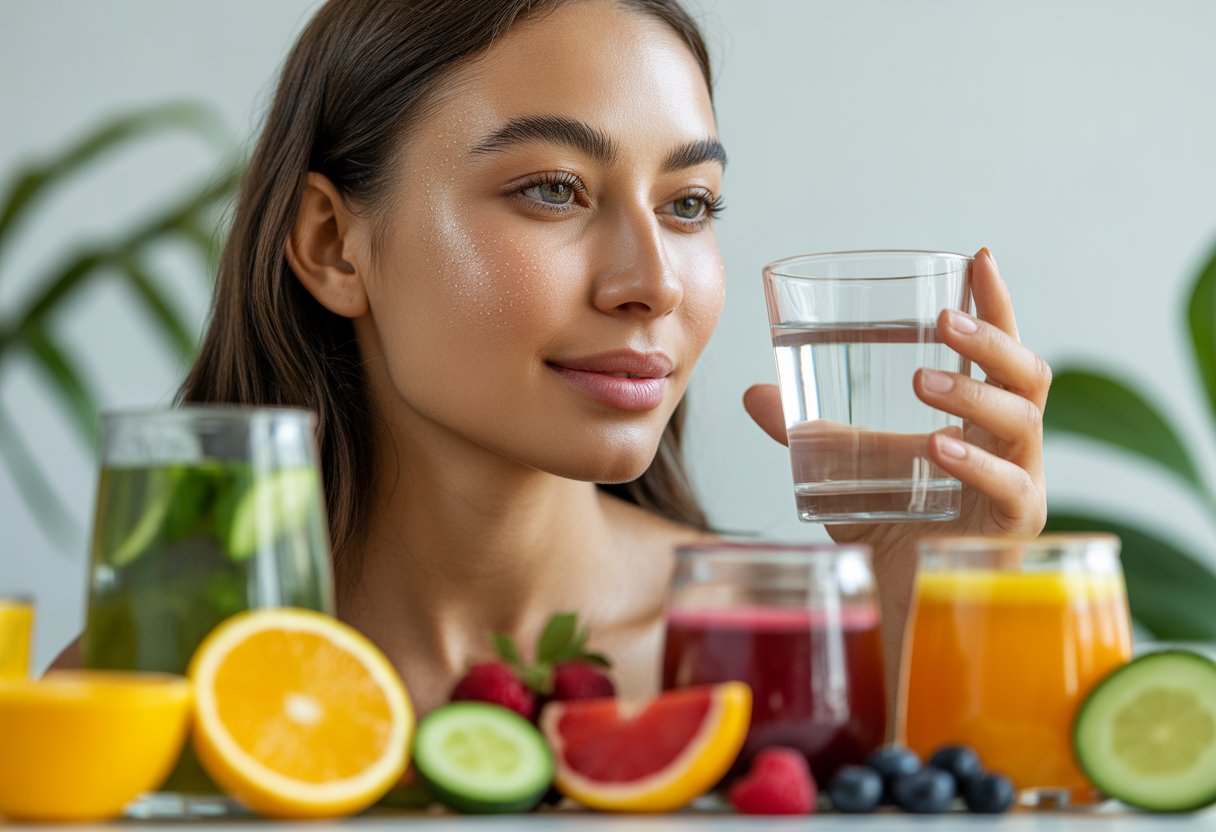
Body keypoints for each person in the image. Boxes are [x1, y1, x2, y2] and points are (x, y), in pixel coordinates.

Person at [55, 0, 1050, 715]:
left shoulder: (808, 655)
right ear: (331, 243)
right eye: (552, 190)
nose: (652, 280)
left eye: (688, 204)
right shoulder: (151, 685)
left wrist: (930, 646)